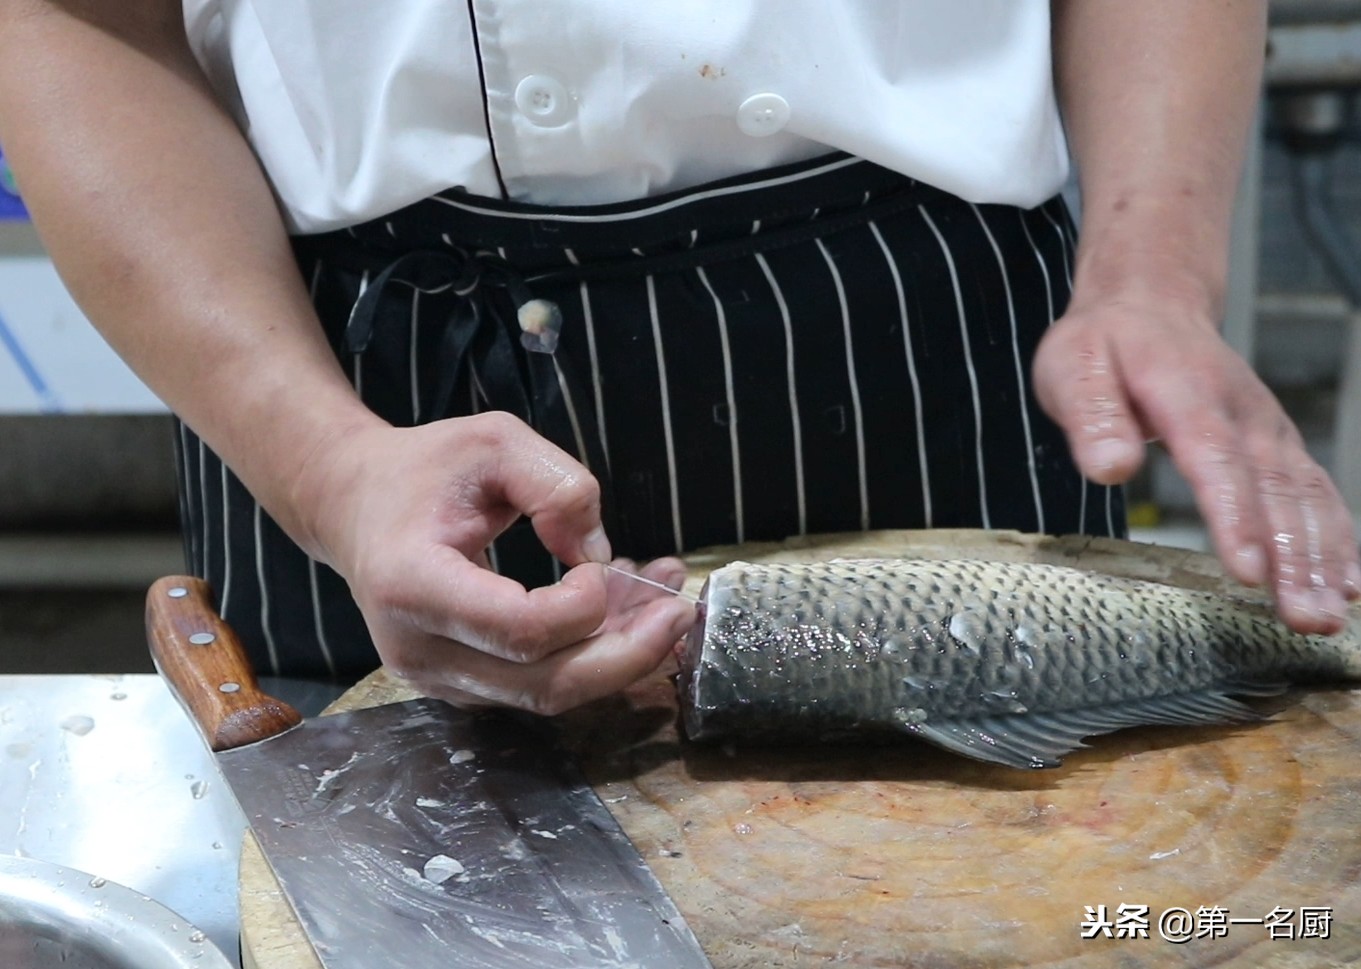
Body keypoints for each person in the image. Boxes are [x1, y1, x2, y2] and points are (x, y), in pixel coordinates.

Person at [0, 1, 1355, 714]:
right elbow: (78, 15)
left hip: (926, 340)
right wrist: (321, 462)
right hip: (357, 393)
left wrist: (1152, 274)